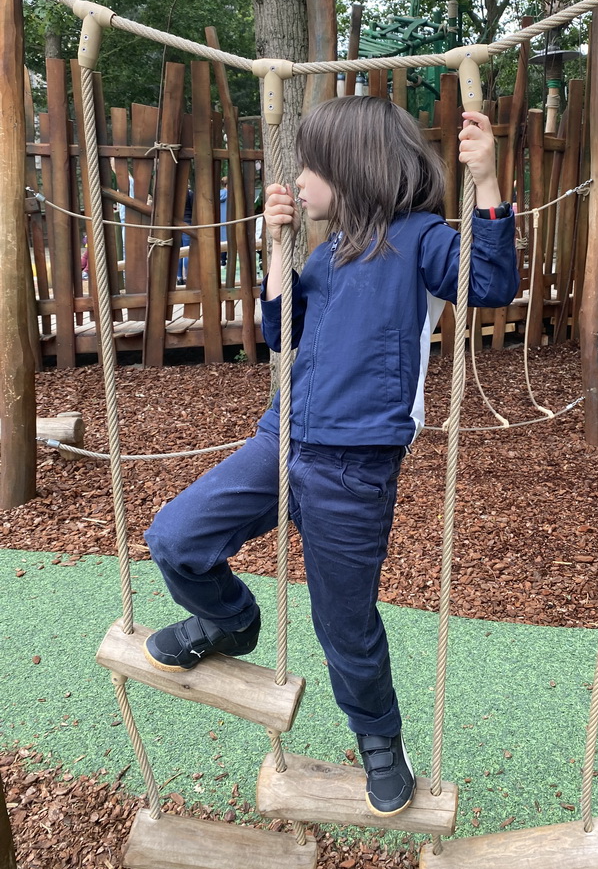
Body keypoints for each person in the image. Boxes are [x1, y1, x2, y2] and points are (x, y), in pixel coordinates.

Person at [142, 96, 519, 819]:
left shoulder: (421, 241)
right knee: (176, 538)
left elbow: (493, 283)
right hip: (279, 440)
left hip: (354, 468)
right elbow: (280, 331)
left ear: (354, 169)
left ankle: (380, 739)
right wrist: (278, 248)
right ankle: (228, 621)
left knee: (342, 624)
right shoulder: (330, 250)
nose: (300, 180)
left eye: (311, 166)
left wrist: (490, 181)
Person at [177, 186, 194, 285]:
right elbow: (193, 209)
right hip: (188, 224)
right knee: (187, 251)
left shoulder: (172, 194)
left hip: (175, 226)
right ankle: (186, 276)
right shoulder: (189, 193)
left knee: (178, 252)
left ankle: (179, 277)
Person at [219, 175, 228, 267]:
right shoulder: (232, 194)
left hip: (220, 221)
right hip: (229, 220)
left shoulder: (218, 194)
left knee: (221, 240)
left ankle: (222, 260)